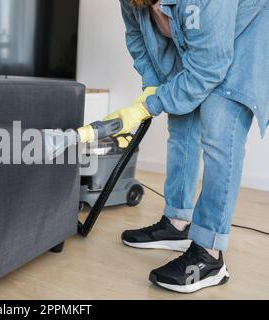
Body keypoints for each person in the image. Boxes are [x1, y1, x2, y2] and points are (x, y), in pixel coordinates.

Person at [106, 0, 269, 293]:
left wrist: (150, 106)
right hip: (200, 48)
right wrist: (153, 87)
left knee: (221, 133)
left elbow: (208, 70)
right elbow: (137, 39)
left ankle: (210, 255)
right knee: (182, 124)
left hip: (247, 38)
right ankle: (177, 222)